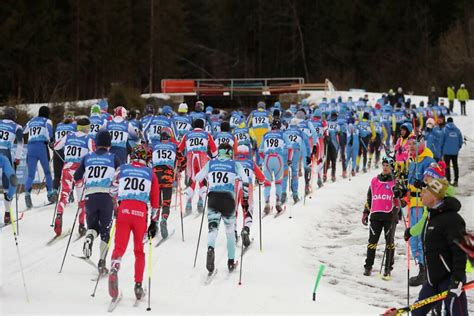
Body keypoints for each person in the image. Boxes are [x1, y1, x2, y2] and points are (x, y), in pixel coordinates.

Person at [108, 144, 160, 301]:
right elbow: (156, 201)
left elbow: (112, 190)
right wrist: (154, 222)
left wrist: (116, 205)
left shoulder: (122, 169)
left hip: (124, 210)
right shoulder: (150, 173)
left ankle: (115, 269)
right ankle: (138, 285)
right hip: (140, 214)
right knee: (139, 250)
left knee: (119, 246)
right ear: (146, 158)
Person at [411, 178, 468, 316]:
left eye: (426, 191)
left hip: (449, 281)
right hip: (432, 281)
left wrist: (457, 279)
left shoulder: (452, 219)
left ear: (435, 196)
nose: (422, 194)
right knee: (417, 312)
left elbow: (460, 251)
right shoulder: (432, 216)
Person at [195, 143, 249, 272]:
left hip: (213, 198)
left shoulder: (211, 163)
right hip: (228, 199)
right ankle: (230, 261)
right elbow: (246, 179)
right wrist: (244, 194)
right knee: (230, 232)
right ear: (230, 153)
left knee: (212, 229)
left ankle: (210, 249)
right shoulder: (235, 164)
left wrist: (209, 180)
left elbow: (197, 177)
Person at [73, 131, 121, 274]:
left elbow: (76, 176)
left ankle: (89, 237)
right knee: (106, 230)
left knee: (93, 226)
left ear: (96, 143)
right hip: (106, 197)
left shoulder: (87, 157)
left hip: (90, 196)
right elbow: (121, 175)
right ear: (109, 144)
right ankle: (102, 262)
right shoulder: (113, 158)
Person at [53, 117, 94, 236]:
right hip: (80, 171)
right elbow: (93, 154)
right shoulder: (88, 138)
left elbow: (56, 146)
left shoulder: (69, 135)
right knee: (81, 198)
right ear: (86, 128)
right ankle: (81, 225)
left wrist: (52, 144)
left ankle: (59, 214)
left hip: (67, 168)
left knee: (64, 195)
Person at [362, 156, 400, 279]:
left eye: (387, 165)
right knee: (372, 242)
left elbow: (403, 199)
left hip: (390, 216)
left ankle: (388, 268)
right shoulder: (374, 181)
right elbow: (370, 197)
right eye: (383, 165)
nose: (385, 167)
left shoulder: (396, 182)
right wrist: (365, 212)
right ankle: (368, 266)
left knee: (389, 243)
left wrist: (399, 203)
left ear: (392, 167)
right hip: (376, 215)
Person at [406, 136, 436, 286]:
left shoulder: (428, 161)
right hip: (413, 204)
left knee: (419, 238)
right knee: (413, 240)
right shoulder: (412, 162)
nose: (410, 147)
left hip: (423, 205)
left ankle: (426, 271)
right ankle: (422, 268)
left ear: (422, 144)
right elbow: (410, 184)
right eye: (409, 144)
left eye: (414, 144)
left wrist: (422, 185)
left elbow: (436, 184)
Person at [177, 118, 217, 214]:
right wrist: (214, 160)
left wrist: (180, 161)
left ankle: (188, 203)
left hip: (190, 158)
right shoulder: (207, 135)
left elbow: (178, 149)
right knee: (203, 180)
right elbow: (214, 150)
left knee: (191, 180)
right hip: (203, 157)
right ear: (203, 126)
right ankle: (200, 201)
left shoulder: (187, 135)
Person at [150, 128, 184, 238]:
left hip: (155, 176)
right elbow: (182, 160)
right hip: (168, 176)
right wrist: (180, 169)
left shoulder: (154, 146)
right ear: (169, 139)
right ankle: (164, 218)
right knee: (166, 202)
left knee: (156, 202)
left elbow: (146, 158)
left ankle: (154, 223)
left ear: (160, 139)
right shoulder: (174, 147)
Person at [23, 106, 55, 208]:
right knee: (47, 172)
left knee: (30, 175)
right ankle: (50, 194)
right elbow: (49, 130)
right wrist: (51, 141)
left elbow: (24, 130)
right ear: (47, 113)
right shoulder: (47, 121)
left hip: (31, 147)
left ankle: (27, 196)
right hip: (41, 147)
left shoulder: (32, 120)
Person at [259, 118, 292, 213]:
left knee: (267, 183)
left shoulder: (266, 135)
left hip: (267, 158)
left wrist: (264, 158)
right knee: (278, 182)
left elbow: (260, 150)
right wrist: (289, 159)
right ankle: (278, 202)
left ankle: (267, 203)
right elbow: (290, 148)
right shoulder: (283, 134)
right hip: (278, 159)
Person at [0, 107, 23, 223]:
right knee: (8, 185)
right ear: (14, 116)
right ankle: (7, 214)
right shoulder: (17, 127)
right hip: (4, 154)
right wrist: (17, 159)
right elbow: (20, 144)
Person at [53, 112, 77, 197]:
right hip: (68, 152)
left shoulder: (58, 125)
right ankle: (70, 193)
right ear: (73, 118)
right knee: (69, 174)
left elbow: (52, 139)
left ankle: (55, 191)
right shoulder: (74, 125)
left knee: (57, 175)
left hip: (57, 152)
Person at [441, 117, 463, 187]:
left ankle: (448, 180)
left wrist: (442, 149)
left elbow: (442, 141)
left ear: (447, 122)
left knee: (447, 166)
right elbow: (461, 141)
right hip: (455, 152)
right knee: (455, 166)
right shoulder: (457, 130)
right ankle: (456, 181)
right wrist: (457, 148)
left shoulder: (444, 130)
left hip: (446, 152)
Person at [0, 154, 18, 225]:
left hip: (3, 160)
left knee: (13, 180)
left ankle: (7, 213)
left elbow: (14, 180)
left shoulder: (4, 160)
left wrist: (8, 197)